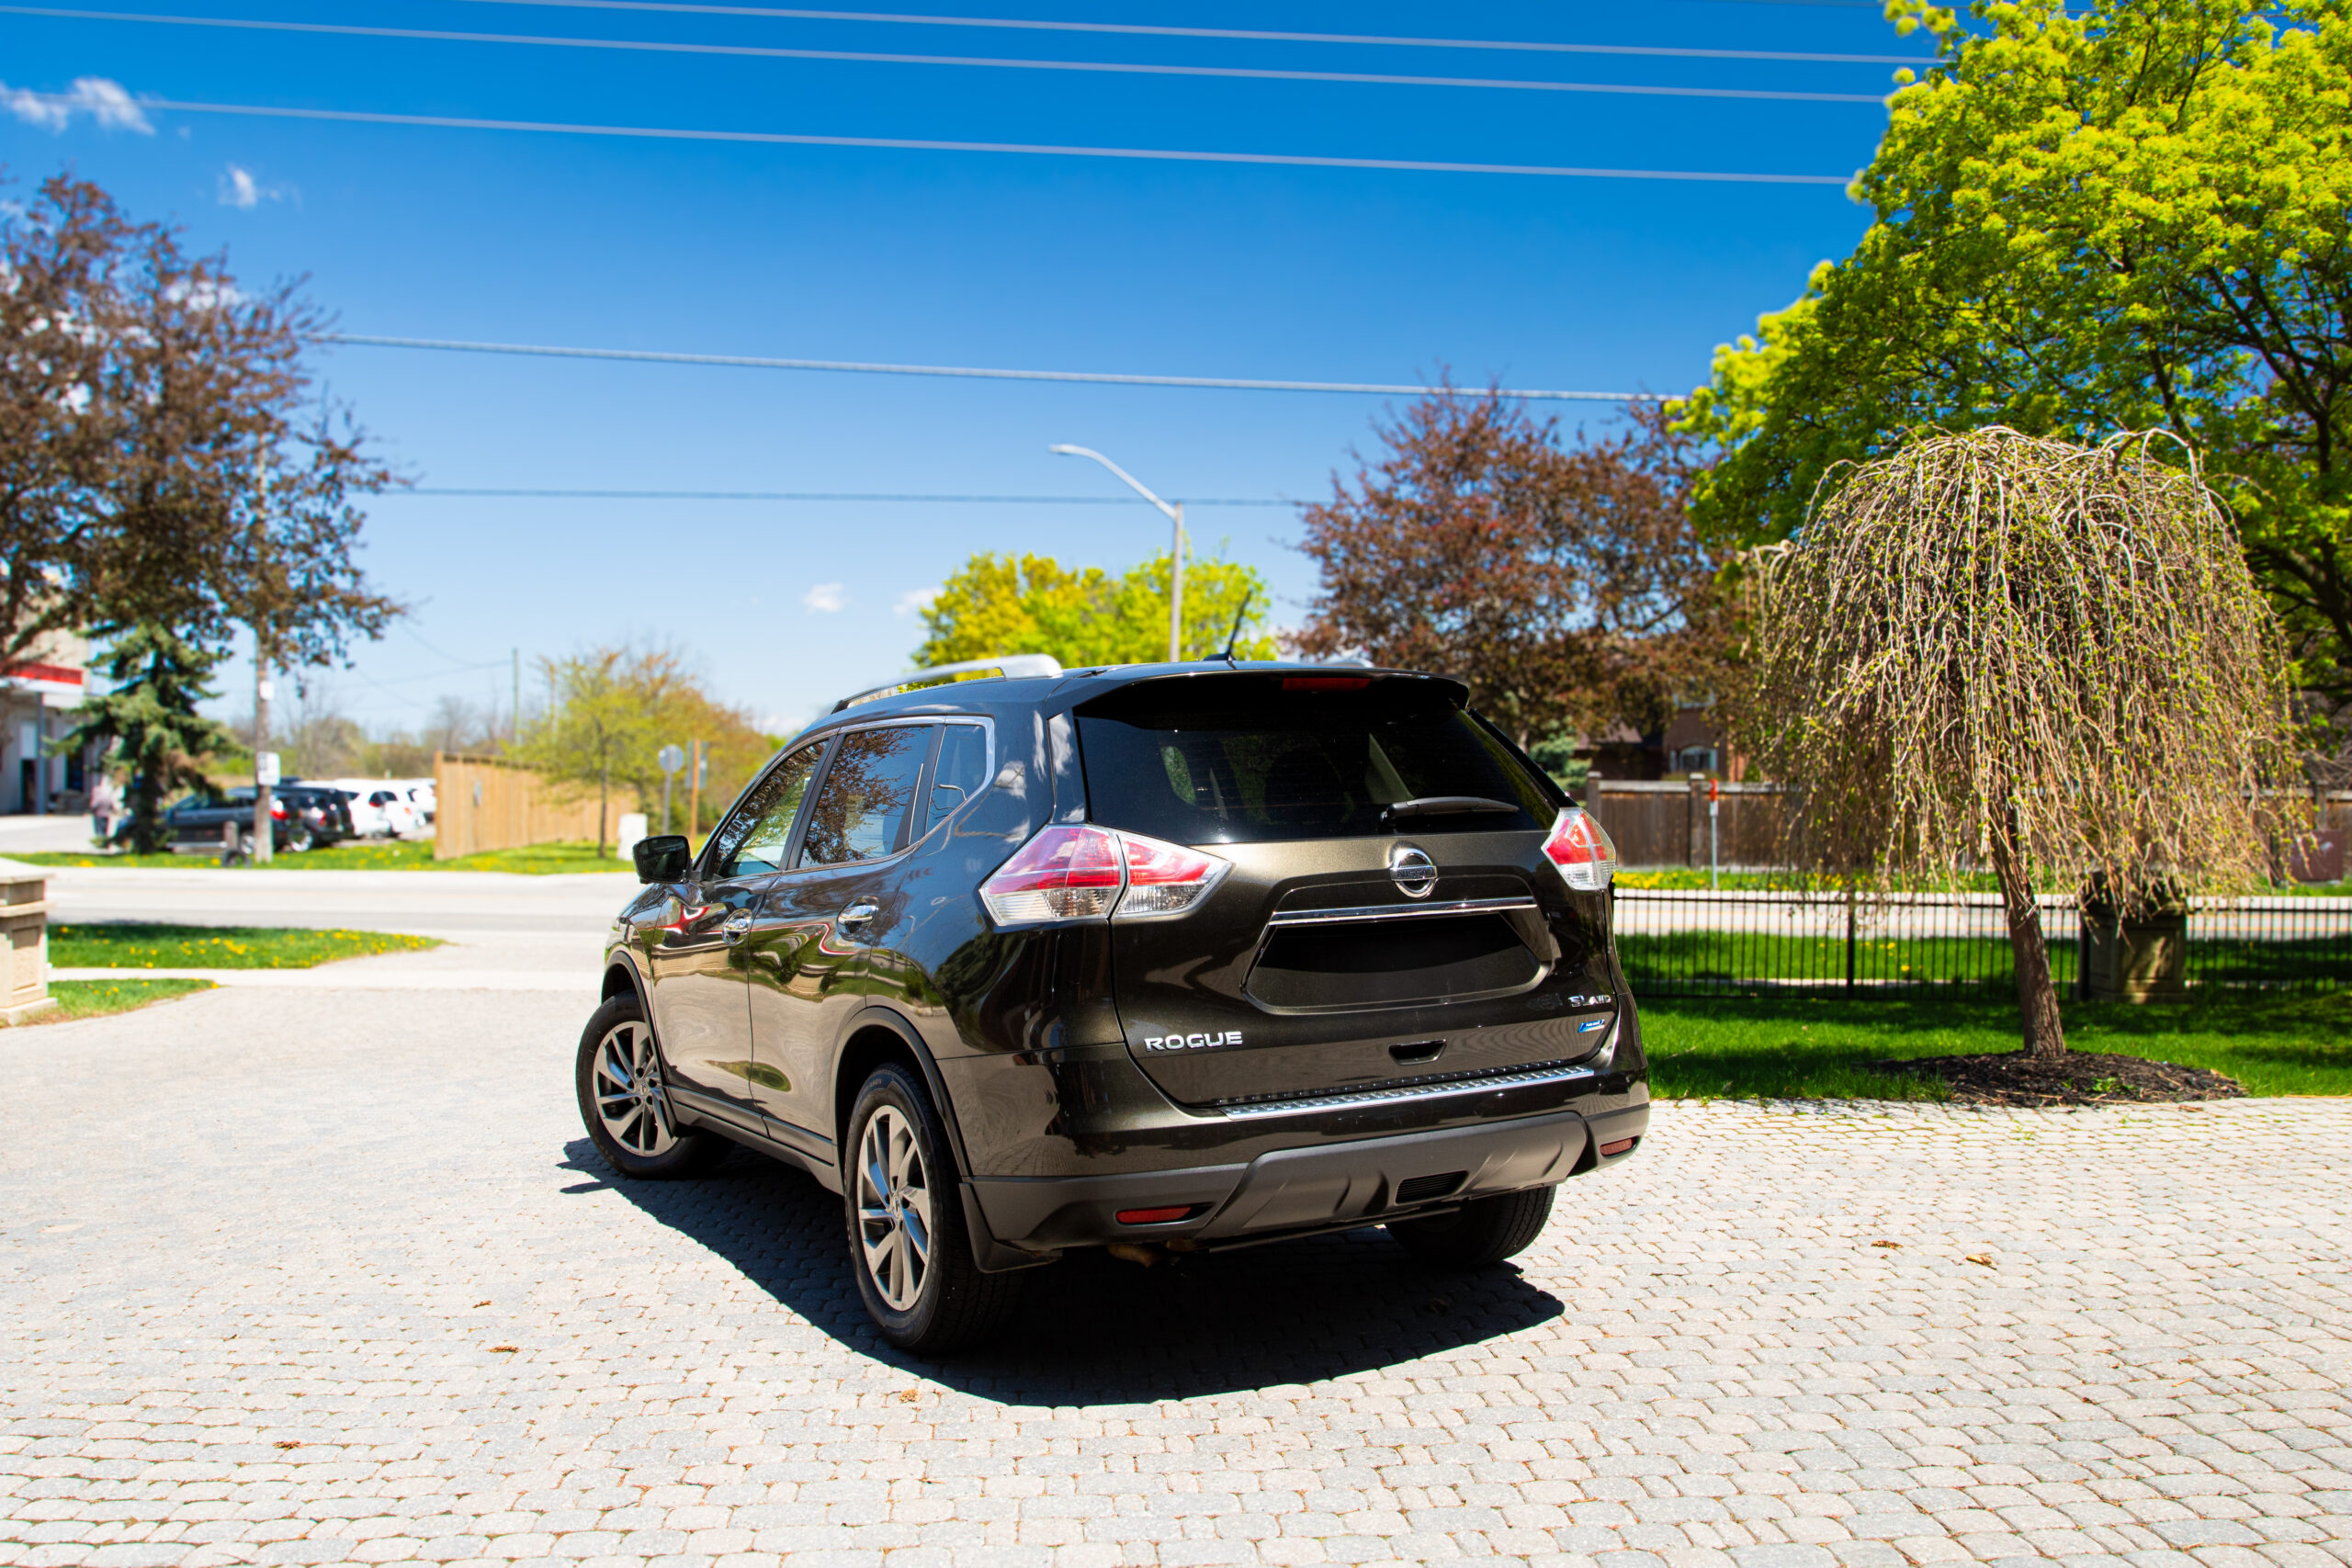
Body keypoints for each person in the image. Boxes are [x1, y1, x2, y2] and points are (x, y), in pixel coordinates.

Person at [89, 773, 119, 848]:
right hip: (106, 815)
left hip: (99, 814)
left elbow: (94, 805)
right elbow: (112, 806)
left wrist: (91, 809)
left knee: (99, 830)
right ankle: (105, 842)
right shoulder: (107, 797)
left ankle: (100, 843)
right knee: (105, 829)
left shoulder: (98, 797)